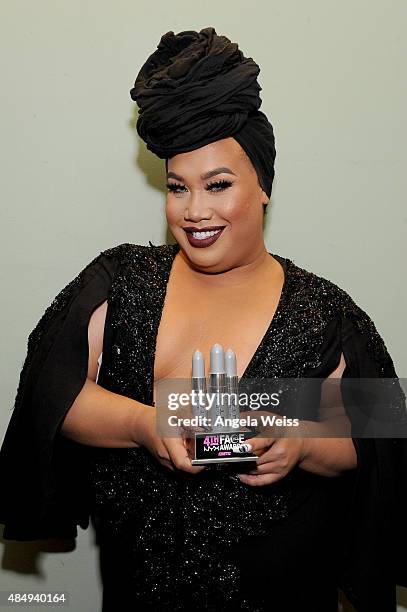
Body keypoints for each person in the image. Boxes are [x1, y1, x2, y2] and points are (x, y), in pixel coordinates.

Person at [0, 27, 406, 612]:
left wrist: (298, 443)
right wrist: (144, 424)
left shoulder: (325, 312)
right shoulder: (122, 280)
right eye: (177, 188)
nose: (195, 212)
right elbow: (51, 391)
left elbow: (376, 440)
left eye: (218, 185)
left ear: (262, 187)